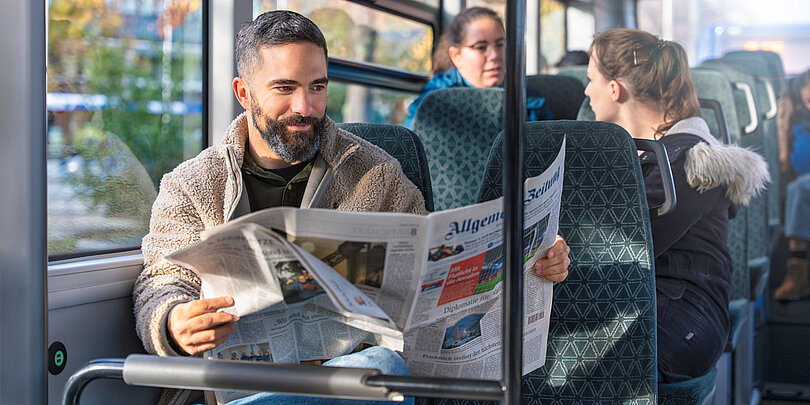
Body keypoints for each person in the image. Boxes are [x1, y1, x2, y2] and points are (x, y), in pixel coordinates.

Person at [133, 9, 571, 404]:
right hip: (236, 388)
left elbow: (431, 281)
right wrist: (172, 322)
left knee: (380, 369)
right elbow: (161, 280)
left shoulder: (377, 174)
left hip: (349, 381)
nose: (304, 107)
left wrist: (531, 265)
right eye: (284, 88)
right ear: (244, 93)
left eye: (317, 87)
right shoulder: (192, 185)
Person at [584, 28, 769, 382]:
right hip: (643, 301)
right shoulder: (640, 153)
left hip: (686, 315)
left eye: (591, 79)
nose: (586, 91)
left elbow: (623, 246)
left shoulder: (686, 163)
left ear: (614, 88)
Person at [403, 7, 554, 128]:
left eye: (500, 44)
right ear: (456, 56)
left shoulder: (529, 99)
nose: (494, 55)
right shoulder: (434, 102)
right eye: (481, 47)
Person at [774, 69, 810, 301]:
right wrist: (784, 123)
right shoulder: (799, 123)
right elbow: (796, 163)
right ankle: (797, 275)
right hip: (802, 179)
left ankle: (796, 272)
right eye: (808, 101)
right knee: (796, 187)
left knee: (798, 188)